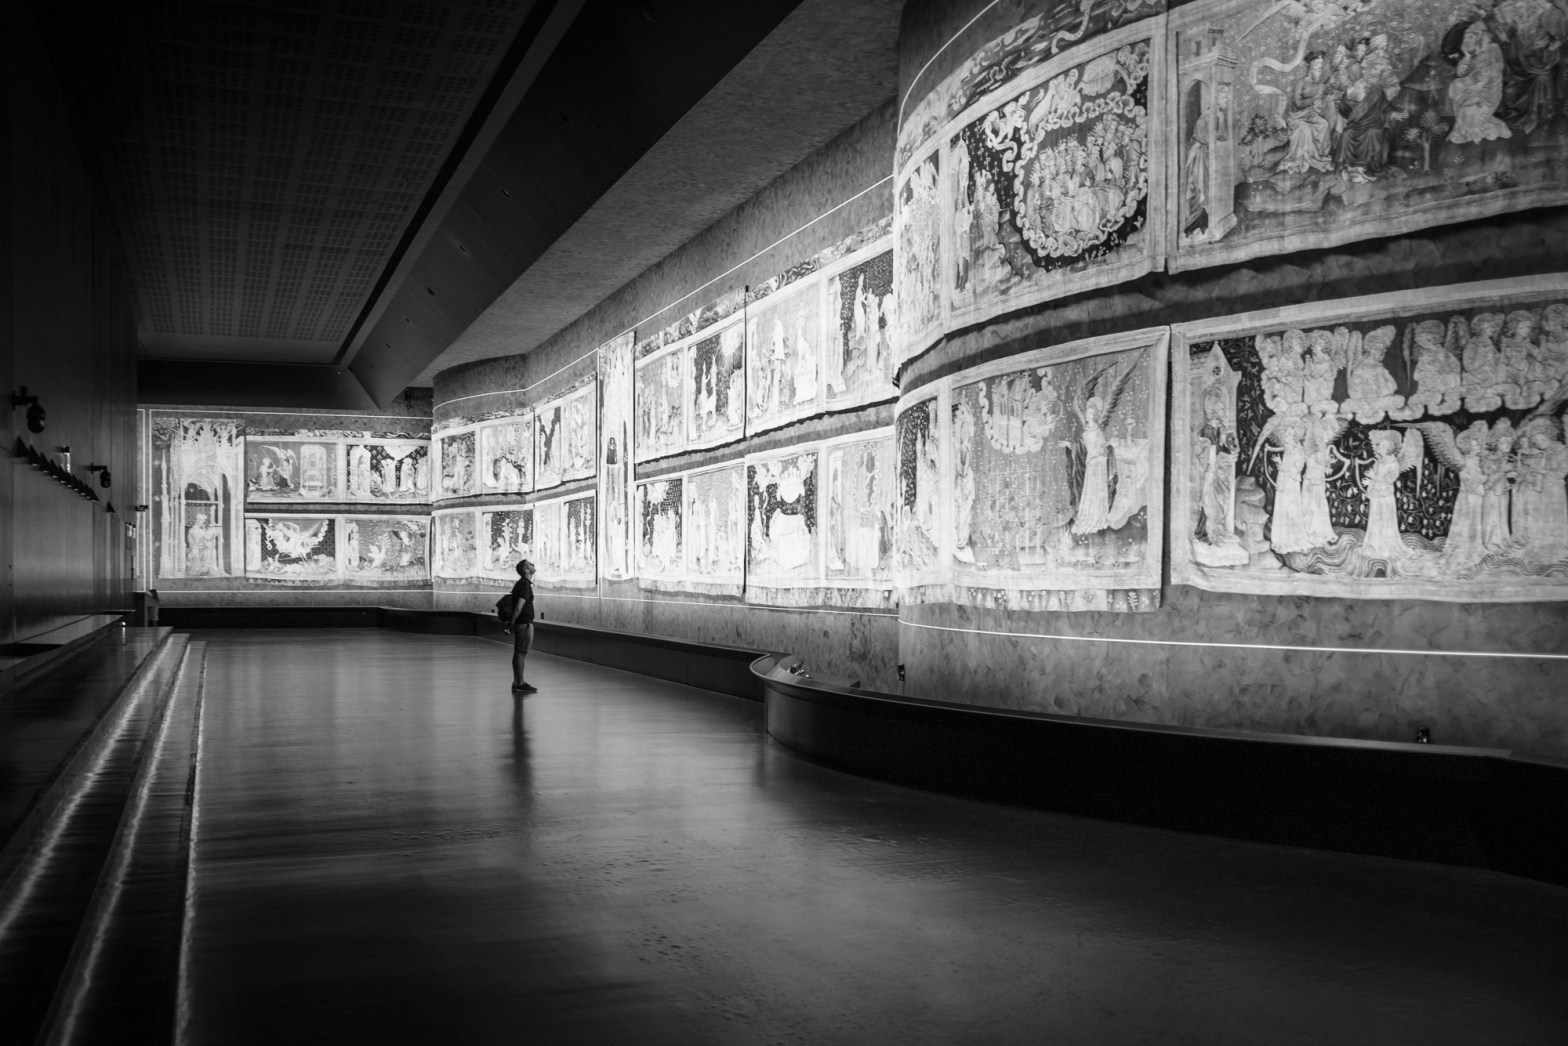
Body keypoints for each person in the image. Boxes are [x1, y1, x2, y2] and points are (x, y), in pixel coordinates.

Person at [503, 559, 537, 693]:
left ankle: (518, 681)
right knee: (521, 653)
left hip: (521, 623)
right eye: (530, 564)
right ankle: (519, 683)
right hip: (523, 623)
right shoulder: (525, 585)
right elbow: (519, 606)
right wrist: (512, 623)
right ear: (526, 570)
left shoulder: (521, 584)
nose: (533, 564)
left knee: (519, 653)